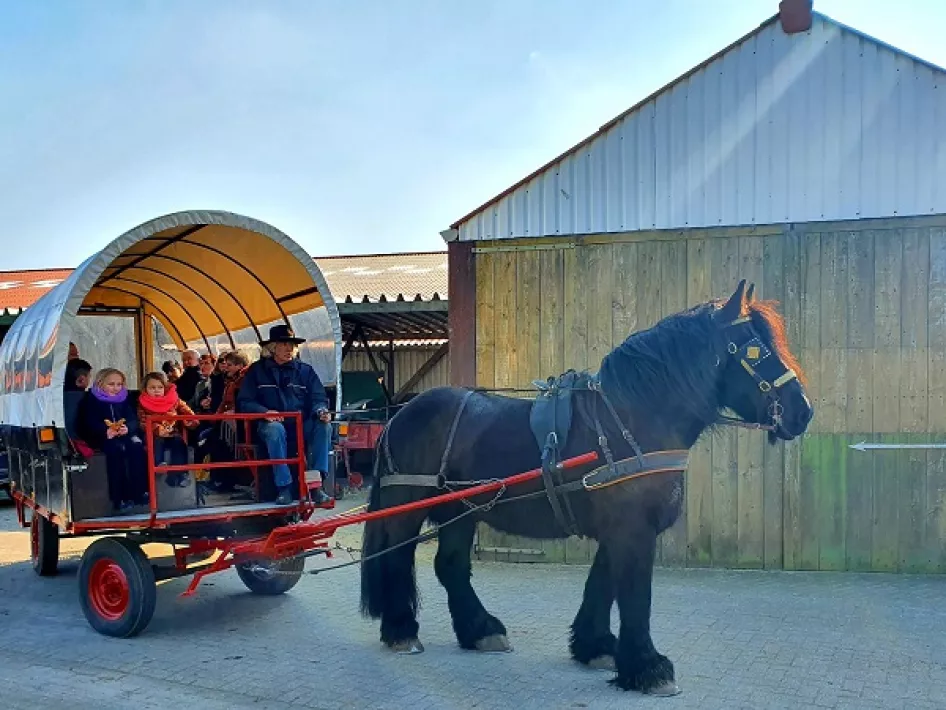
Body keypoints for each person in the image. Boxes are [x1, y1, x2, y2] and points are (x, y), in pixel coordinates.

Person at [237, 325, 332, 505]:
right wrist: (265, 412)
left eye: (292, 345)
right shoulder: (256, 371)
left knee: (323, 426)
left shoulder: (305, 371)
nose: (289, 349)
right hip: (271, 424)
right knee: (275, 429)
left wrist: (321, 411)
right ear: (272, 348)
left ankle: (316, 486)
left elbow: (318, 398)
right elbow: (245, 401)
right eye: (284, 345)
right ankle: (284, 488)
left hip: (301, 424)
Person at [76, 368, 149, 512]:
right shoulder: (91, 399)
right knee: (116, 450)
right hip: (101, 437)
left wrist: (128, 428)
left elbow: (133, 419)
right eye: (111, 384)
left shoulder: (125, 398)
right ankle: (120, 498)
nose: (116, 388)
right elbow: (87, 423)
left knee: (137, 447)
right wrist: (105, 431)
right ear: (100, 383)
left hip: (124, 435)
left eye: (119, 384)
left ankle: (141, 492)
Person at [137, 372, 199, 488]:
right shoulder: (143, 403)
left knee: (179, 443)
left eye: (160, 387)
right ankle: (159, 465)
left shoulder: (174, 399)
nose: (156, 390)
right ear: (145, 389)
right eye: (152, 388)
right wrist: (157, 429)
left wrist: (191, 421)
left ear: (165, 388)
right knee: (157, 442)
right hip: (154, 435)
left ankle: (180, 474)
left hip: (172, 432)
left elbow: (187, 411)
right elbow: (142, 422)